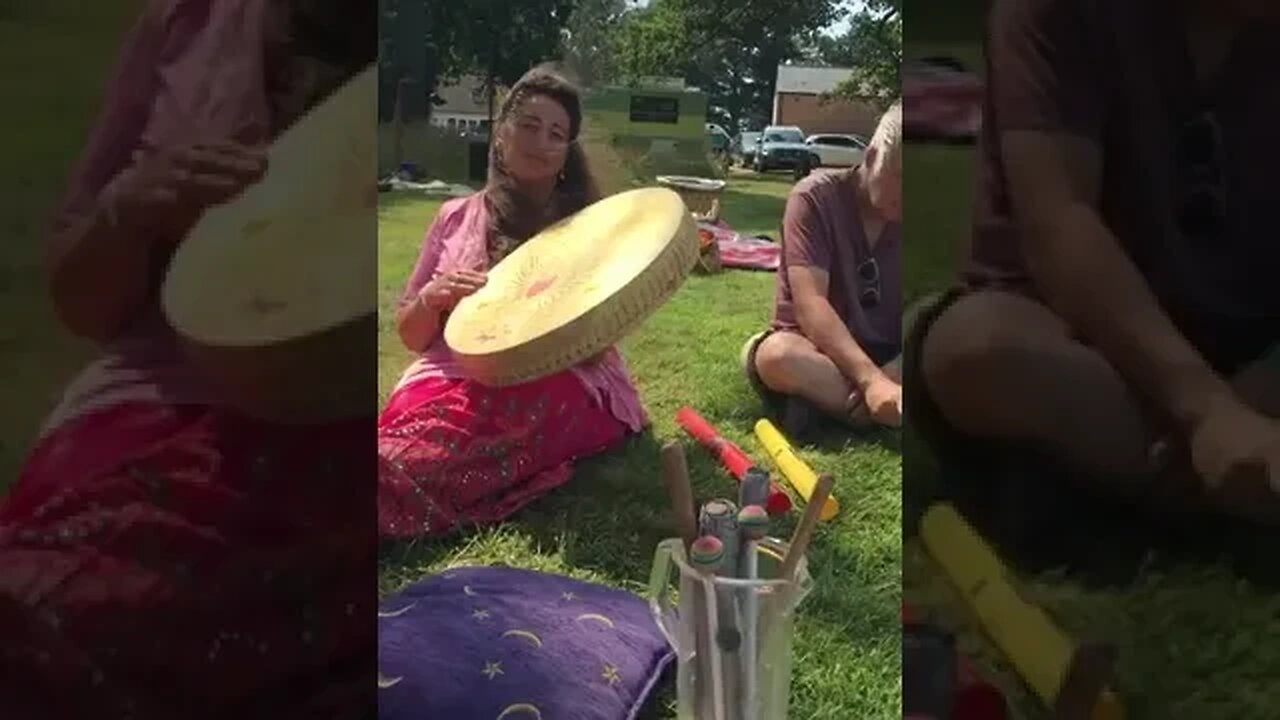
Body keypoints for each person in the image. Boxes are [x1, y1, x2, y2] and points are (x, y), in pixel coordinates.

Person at [0, 1, 376, 715]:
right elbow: (81, 305)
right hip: (161, 405)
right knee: (39, 618)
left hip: (346, 432)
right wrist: (126, 213)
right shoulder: (186, 21)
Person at [905, 0, 1280, 541]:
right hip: (1085, 342)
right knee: (977, 348)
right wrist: (1207, 410)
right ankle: (1224, 484)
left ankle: (1116, 484)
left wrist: (1258, 395)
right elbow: (1061, 225)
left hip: (1252, 348)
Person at [377, 66, 648, 539]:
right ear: (500, 135)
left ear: (567, 152)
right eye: (528, 125)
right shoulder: (454, 217)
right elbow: (412, 336)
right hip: (450, 375)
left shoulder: (587, 228)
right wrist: (430, 300)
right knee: (406, 442)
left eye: (556, 133)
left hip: (554, 378)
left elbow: (595, 343)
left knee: (431, 457)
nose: (540, 141)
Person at [741, 102, 903, 439]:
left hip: (889, 354)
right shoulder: (814, 199)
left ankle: (839, 407)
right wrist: (871, 380)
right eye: (900, 178)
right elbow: (811, 304)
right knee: (776, 355)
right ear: (871, 157)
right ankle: (877, 409)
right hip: (819, 351)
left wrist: (896, 369)